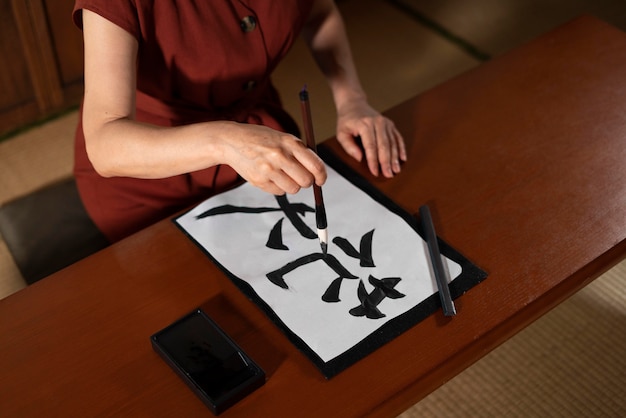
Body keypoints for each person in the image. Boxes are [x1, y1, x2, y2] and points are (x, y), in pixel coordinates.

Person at [72, 0, 406, 243]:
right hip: (151, 181)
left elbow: (320, 14)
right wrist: (226, 141)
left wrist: (352, 100)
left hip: (259, 156)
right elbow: (105, 144)